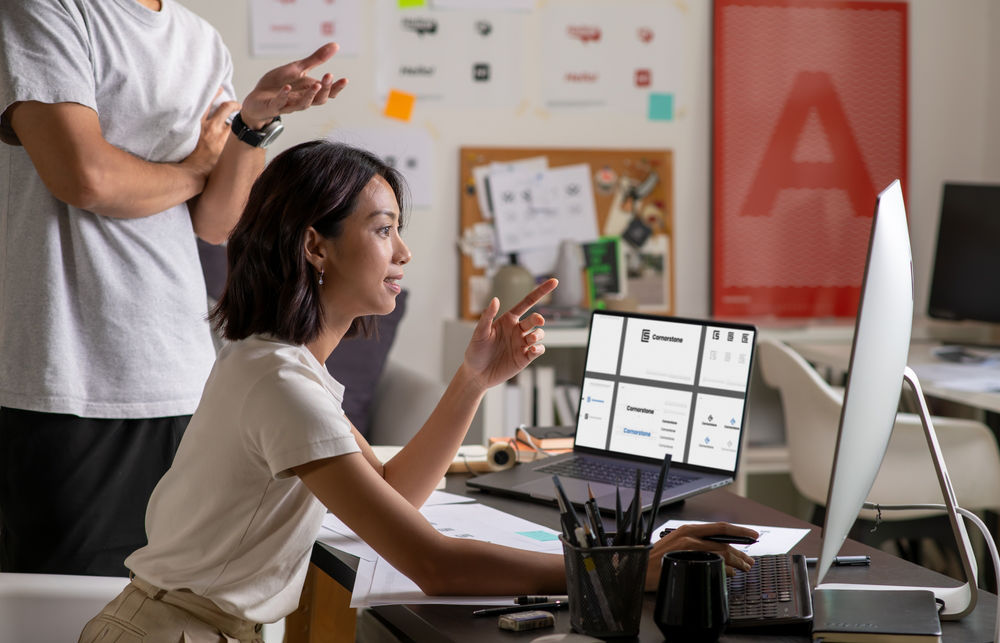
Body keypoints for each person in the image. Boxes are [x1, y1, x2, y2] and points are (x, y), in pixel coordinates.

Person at [78, 140, 758, 642]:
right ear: (315, 247)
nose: (403, 251)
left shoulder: (279, 367)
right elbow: (431, 561)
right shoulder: (280, 382)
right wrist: (623, 566)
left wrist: (473, 381)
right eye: (383, 228)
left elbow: (393, 499)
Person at [0, 0, 348, 577]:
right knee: (69, 610)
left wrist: (252, 126)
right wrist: (195, 168)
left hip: (184, 381)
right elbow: (84, 178)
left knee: (175, 603)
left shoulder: (201, 40)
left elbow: (215, 222)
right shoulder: (46, 10)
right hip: (68, 380)